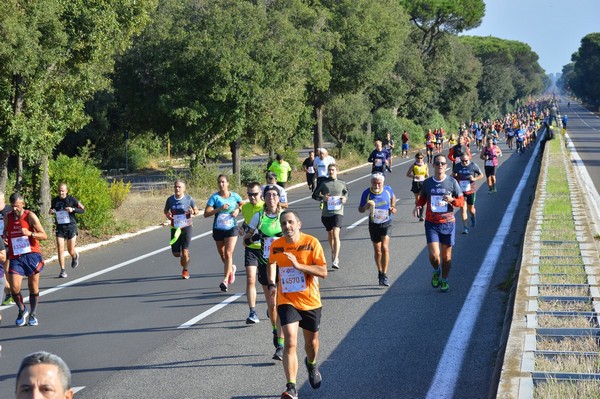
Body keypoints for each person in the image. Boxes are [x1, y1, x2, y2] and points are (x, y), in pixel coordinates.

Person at [267, 210, 327, 399]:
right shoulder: (276, 246)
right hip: (287, 300)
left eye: (290, 222)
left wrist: (299, 266)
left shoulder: (311, 243)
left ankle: (311, 364)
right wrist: (271, 284)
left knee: (311, 343)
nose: (287, 226)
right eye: (283, 223)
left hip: (310, 301)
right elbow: (271, 263)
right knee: (291, 341)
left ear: (298, 224)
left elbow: (323, 271)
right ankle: (291, 387)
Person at [244, 184, 285, 361]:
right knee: (272, 303)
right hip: (264, 263)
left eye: (274, 195)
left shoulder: (285, 216)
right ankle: (275, 331)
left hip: (284, 265)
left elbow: (297, 237)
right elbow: (246, 241)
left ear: (279, 198)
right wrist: (254, 238)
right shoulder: (258, 217)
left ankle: (281, 345)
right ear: (264, 199)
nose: (271, 199)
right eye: (268, 196)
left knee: (281, 304)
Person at [413, 154, 464, 293]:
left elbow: (461, 202)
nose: (440, 165)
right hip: (432, 223)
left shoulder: (452, 182)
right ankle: (436, 270)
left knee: (446, 257)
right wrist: (418, 206)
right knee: (434, 256)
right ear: (433, 165)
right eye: (437, 163)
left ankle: (444, 279)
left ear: (446, 166)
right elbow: (422, 199)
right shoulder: (428, 183)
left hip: (447, 223)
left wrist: (452, 200)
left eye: (442, 163)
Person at [4, 192, 48, 326]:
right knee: (14, 287)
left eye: (17, 206)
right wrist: (5, 238)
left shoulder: (30, 216)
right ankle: (22, 309)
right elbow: (5, 232)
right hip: (16, 256)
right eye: (13, 206)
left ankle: (33, 314)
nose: (15, 209)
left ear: (23, 204)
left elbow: (44, 235)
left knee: (33, 287)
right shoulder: (8, 217)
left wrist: (30, 233)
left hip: (31, 255)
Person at [204, 174, 243, 292]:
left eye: (223, 182)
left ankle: (225, 280)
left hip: (232, 227)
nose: (221, 184)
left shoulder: (234, 196)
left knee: (228, 253)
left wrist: (237, 209)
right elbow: (206, 213)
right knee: (223, 255)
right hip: (218, 228)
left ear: (228, 183)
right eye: (219, 182)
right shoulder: (214, 197)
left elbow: (242, 204)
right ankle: (231, 269)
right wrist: (219, 209)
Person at [358, 173, 397, 287]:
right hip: (373, 223)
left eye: (379, 183)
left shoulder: (387, 190)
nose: (377, 185)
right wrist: (366, 206)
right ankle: (380, 272)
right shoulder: (367, 193)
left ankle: (384, 274)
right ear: (371, 183)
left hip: (386, 222)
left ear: (382, 183)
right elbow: (360, 210)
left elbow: (393, 197)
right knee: (378, 250)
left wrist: (393, 207)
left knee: (385, 247)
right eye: (374, 182)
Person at [312, 163, 348, 269]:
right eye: (329, 170)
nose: (331, 172)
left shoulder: (342, 183)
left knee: (336, 234)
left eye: (333, 170)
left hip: (338, 212)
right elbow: (314, 195)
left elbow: (346, 193)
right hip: (326, 213)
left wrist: (344, 198)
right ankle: (333, 253)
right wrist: (323, 197)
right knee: (330, 234)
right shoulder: (323, 183)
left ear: (337, 171)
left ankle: (336, 259)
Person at [164, 179, 199, 279]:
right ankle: (185, 257)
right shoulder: (170, 200)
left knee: (184, 251)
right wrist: (168, 215)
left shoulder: (188, 199)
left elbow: (196, 210)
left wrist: (193, 211)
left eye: (179, 187)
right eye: (175, 186)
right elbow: (166, 210)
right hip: (175, 228)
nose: (177, 188)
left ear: (184, 189)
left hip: (186, 227)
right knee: (176, 254)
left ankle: (185, 270)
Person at [48, 183, 85, 279]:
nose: (61, 192)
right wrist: (51, 211)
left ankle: (74, 256)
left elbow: (82, 209)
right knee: (60, 248)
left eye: (63, 191)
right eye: (59, 190)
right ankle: (62, 270)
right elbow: (52, 209)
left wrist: (72, 209)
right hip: (60, 227)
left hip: (71, 227)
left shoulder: (71, 199)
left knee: (70, 250)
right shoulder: (55, 200)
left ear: (66, 191)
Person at [240, 182, 264, 324]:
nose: (252, 197)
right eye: (249, 194)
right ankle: (252, 312)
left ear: (260, 193)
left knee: (269, 282)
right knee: (250, 279)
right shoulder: (246, 207)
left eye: (255, 194)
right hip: (251, 248)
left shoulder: (265, 207)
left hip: (265, 248)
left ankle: (271, 305)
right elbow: (247, 222)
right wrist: (243, 229)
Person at [452, 155, 483, 234]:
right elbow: (453, 174)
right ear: (460, 160)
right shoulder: (457, 166)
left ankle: (473, 216)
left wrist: (474, 179)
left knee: (471, 210)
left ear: (468, 159)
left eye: (466, 160)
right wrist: (454, 176)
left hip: (471, 191)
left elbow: (481, 175)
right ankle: (465, 227)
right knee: (463, 209)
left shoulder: (473, 165)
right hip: (460, 191)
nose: (464, 162)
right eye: (463, 161)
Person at [406, 152, 429, 221]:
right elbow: (408, 174)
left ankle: (421, 215)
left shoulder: (425, 165)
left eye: (421, 158)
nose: (419, 159)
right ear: (416, 158)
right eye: (418, 158)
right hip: (416, 183)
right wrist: (414, 176)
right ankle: (418, 210)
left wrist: (427, 175)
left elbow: (427, 173)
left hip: (423, 182)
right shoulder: (413, 166)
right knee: (417, 199)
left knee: (422, 198)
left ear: (423, 158)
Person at [0, 191, 13, 305]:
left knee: (6, 270)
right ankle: (9, 293)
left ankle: (11, 293)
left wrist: (9, 237)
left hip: (9, 244)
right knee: (2, 272)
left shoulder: (9, 210)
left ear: (3, 200)